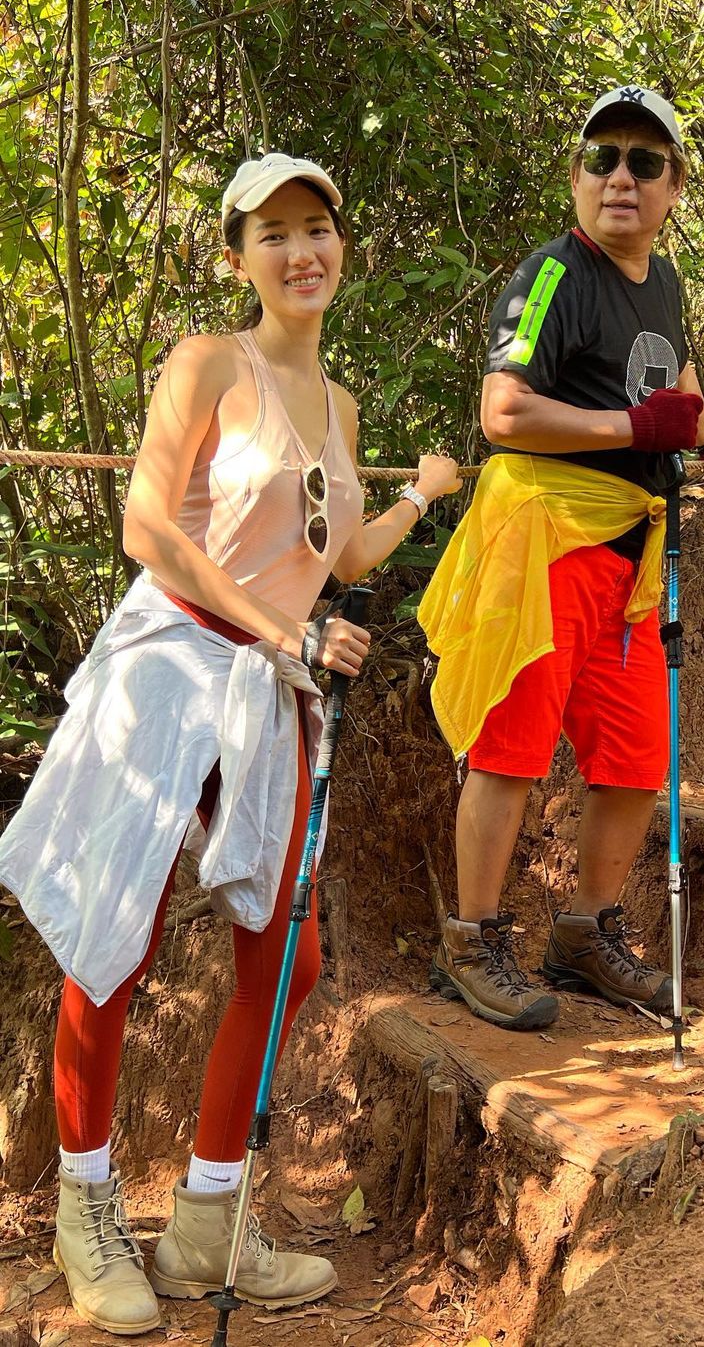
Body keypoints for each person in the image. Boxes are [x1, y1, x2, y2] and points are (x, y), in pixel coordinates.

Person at [0, 152, 460, 1335]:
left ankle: (209, 1217)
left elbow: (339, 553)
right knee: (116, 933)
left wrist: (423, 498)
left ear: (342, 245)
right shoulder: (210, 361)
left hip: (274, 677)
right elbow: (148, 522)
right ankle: (87, 1208)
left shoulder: (343, 405)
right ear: (237, 255)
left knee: (286, 956)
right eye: (275, 234)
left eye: (319, 228)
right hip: (175, 657)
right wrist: (285, 632)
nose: (302, 251)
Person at [419, 87, 704, 1031]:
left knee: (632, 759)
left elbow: (678, 392)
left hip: (629, 555)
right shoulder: (553, 277)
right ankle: (474, 941)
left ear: (674, 187)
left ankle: (582, 935)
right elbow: (503, 412)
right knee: (513, 747)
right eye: (603, 158)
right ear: (576, 177)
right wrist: (629, 426)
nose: (622, 177)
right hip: (542, 541)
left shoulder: (666, 282)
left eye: (644, 162)